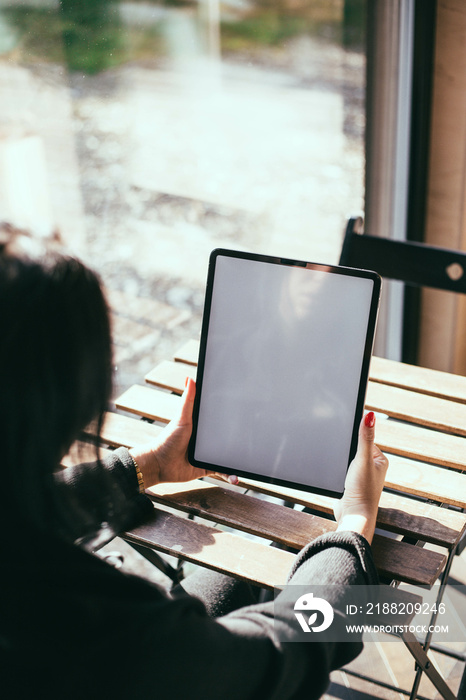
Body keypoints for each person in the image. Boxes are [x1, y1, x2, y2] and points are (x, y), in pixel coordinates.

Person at [0, 225, 388, 699]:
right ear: (64, 403)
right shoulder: (96, 624)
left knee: (240, 568)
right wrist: (351, 534)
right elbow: (277, 660)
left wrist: (149, 465)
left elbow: (20, 507)